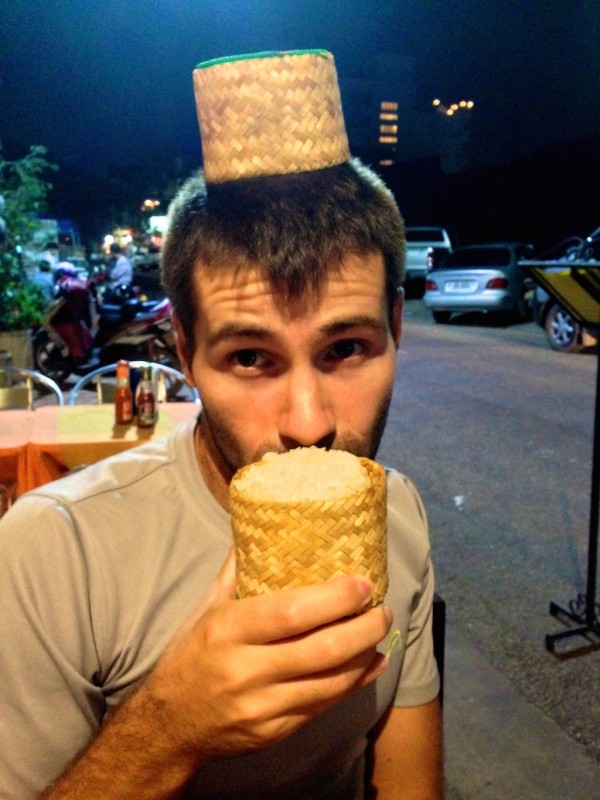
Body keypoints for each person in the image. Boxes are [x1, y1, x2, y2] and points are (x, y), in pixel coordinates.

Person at [0, 51, 442, 799]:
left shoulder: (396, 510)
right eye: (249, 358)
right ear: (184, 352)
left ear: (397, 328)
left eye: (346, 349)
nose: (309, 426)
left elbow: (406, 773)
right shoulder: (52, 552)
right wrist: (168, 724)